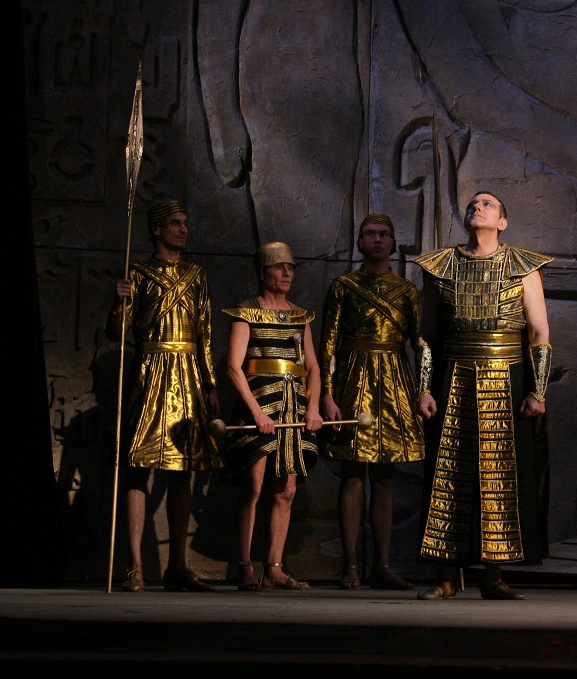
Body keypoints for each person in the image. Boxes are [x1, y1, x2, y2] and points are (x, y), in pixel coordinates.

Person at [412, 191, 552, 600]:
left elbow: (539, 332)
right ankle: (445, 577)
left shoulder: (523, 266)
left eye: (488, 204)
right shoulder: (440, 266)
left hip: (507, 378)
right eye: (474, 204)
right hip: (453, 376)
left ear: (503, 222)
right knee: (448, 476)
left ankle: (494, 576)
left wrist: (538, 390)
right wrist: (424, 388)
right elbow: (427, 335)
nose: (478, 207)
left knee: (500, 477)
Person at [108, 198, 222, 592]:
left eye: (185, 222)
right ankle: (135, 567)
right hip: (151, 371)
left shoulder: (196, 275)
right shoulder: (138, 273)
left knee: (182, 470)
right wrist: (120, 302)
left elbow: (205, 334)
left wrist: (210, 384)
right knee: (139, 466)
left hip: (188, 374)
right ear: (156, 229)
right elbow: (117, 333)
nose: (183, 229)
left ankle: (177, 567)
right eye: (175, 223)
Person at [320, 213, 426, 590]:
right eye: (370, 234)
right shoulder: (344, 286)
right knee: (352, 472)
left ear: (393, 243)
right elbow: (328, 345)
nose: (377, 239)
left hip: (394, 383)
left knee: (384, 475)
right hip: (353, 379)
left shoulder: (407, 291)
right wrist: (327, 394)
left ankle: (382, 565)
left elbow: (421, 346)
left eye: (384, 234)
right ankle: (350, 565)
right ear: (360, 242)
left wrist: (423, 391)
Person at [222, 242, 322, 591]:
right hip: (260, 406)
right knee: (253, 486)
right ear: (263, 272)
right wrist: (256, 412)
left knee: (286, 490)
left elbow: (313, 367)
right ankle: (245, 566)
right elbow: (233, 367)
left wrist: (313, 407)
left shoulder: (301, 316)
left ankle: (274, 568)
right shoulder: (246, 312)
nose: (286, 273)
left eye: (290, 268)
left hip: (293, 408)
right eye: (280, 267)